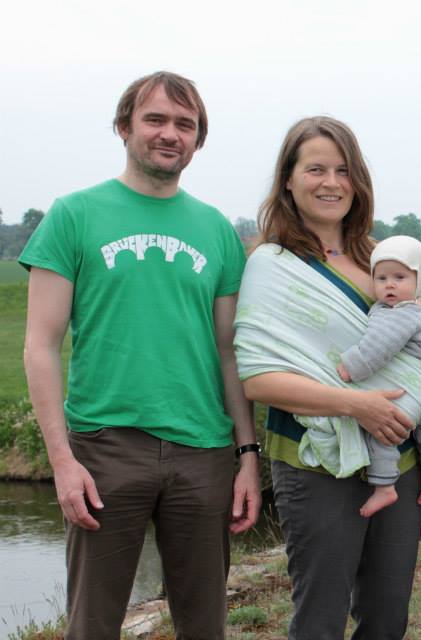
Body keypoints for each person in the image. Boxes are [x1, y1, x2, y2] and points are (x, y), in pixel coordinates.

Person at [20, 71, 260, 639]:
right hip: (104, 449)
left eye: (185, 124)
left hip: (203, 450)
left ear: (198, 140)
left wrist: (247, 455)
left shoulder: (216, 230)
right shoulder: (74, 215)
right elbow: (40, 346)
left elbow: (229, 352)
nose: (170, 133)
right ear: (124, 127)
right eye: (155, 119)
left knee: (205, 624)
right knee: (93, 624)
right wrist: (61, 461)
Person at [235, 116, 421, 640]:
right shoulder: (272, 265)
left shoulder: (383, 258)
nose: (331, 182)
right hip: (316, 460)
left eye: (343, 170)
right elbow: (258, 379)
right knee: (320, 618)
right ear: (288, 180)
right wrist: (355, 405)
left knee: (388, 617)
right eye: (315, 169)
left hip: (399, 458)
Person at [334, 234, 421, 517]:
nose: (390, 284)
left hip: (413, 393)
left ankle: (384, 486)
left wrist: (350, 366)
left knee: (382, 428)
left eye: (400, 277)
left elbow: (377, 348)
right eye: (381, 278)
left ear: (420, 279)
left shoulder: (399, 314)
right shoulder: (420, 308)